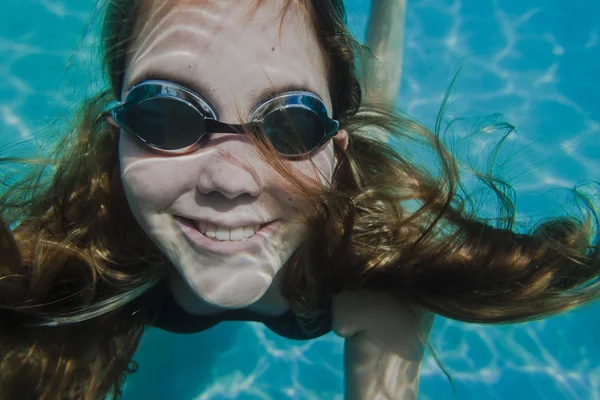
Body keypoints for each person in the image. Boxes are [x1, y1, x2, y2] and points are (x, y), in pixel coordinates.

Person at [0, 0, 598, 399]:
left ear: (331, 148)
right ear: (118, 137)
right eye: (166, 115)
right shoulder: (83, 260)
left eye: (290, 123)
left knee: (374, 111)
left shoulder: (371, 278)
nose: (230, 181)